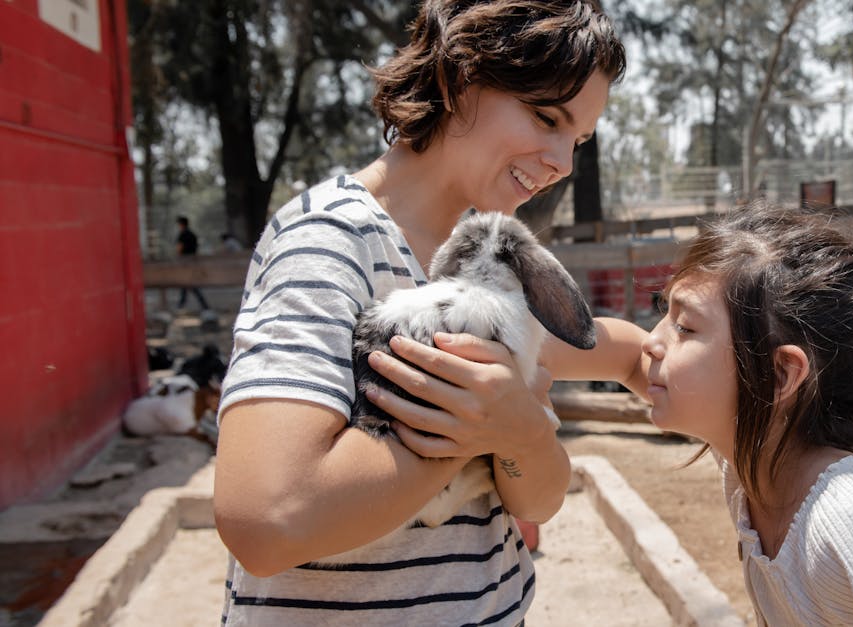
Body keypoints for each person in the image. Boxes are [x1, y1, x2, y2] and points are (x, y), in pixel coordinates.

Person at [212, 1, 626, 624]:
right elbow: (268, 521)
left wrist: (521, 431)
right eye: (546, 118)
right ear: (459, 76)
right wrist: (473, 428)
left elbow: (537, 500)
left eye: (579, 139)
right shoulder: (330, 239)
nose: (564, 163)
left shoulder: (489, 256)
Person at [546, 200, 853, 625]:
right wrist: (503, 343)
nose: (654, 339)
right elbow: (629, 354)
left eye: (685, 326)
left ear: (780, 375)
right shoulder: (756, 450)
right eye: (666, 314)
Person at [174, 216, 210, 311]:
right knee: (187, 284)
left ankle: (203, 306)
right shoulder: (193, 234)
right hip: (193, 261)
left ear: (181, 224)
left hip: (185, 262)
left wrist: (177, 258)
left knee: (189, 283)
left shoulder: (183, 234)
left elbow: (179, 248)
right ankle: (182, 305)